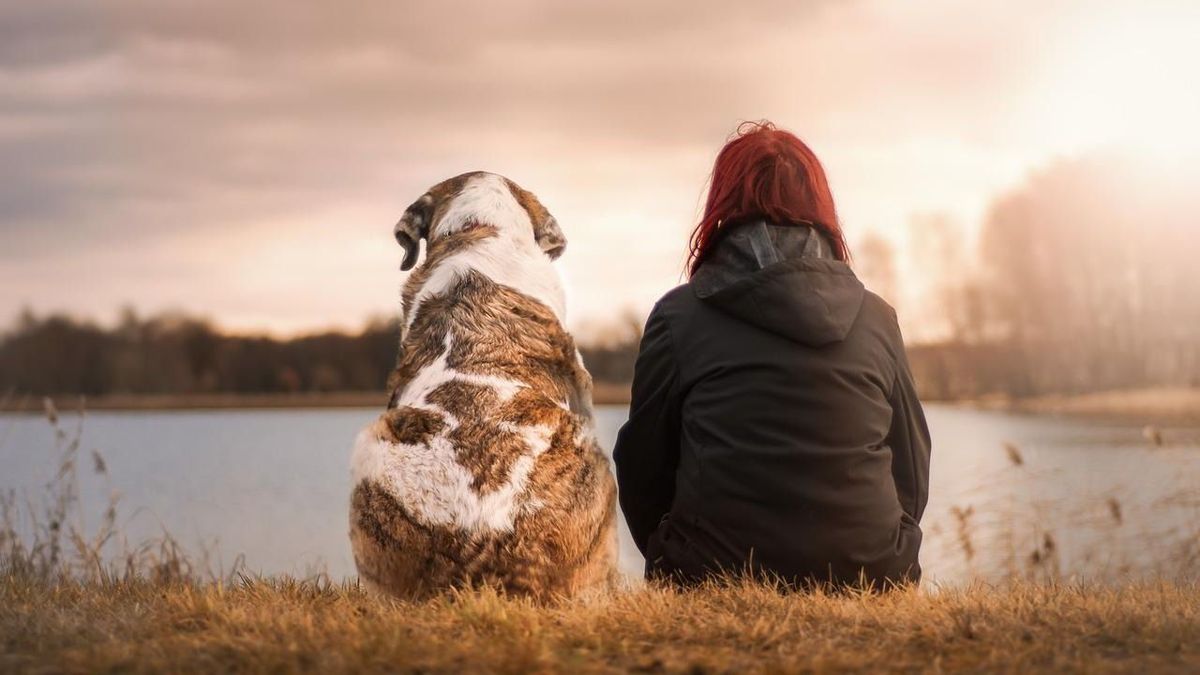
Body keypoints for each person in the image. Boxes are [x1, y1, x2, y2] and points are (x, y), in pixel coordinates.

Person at [612, 121, 931, 589]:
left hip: (711, 574)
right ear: (820, 206)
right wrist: (885, 547)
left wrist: (672, 554)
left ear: (722, 205)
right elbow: (912, 464)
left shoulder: (678, 317)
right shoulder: (877, 318)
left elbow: (642, 466)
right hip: (871, 573)